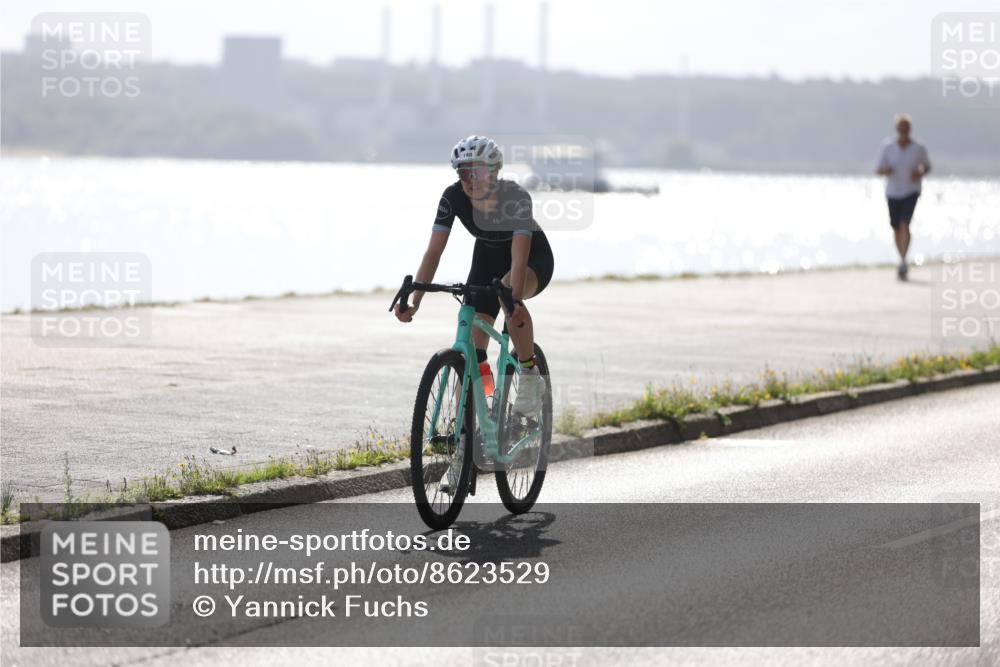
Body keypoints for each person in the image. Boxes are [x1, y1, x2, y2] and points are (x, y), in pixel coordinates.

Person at [394, 134, 555, 418]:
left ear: (494, 171)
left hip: (531, 259)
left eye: (478, 171)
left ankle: (530, 376)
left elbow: (519, 259)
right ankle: (471, 426)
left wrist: (513, 302)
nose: (471, 179)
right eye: (463, 172)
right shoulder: (453, 196)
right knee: (473, 344)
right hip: (487, 258)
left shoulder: (515, 197)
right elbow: (433, 252)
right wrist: (416, 300)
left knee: (508, 294)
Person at [876, 113, 931, 281]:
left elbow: (927, 166)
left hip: (911, 191)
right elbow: (878, 169)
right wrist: (886, 170)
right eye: (901, 128)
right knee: (895, 227)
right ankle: (901, 258)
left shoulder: (919, 147)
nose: (904, 131)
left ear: (910, 129)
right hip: (892, 192)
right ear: (897, 129)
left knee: (904, 223)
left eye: (906, 128)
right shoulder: (888, 146)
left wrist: (919, 173)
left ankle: (903, 261)